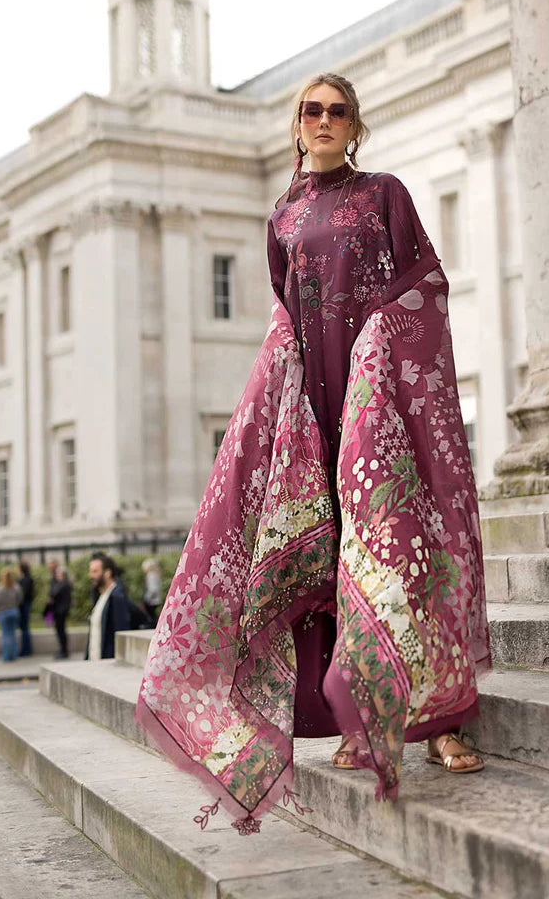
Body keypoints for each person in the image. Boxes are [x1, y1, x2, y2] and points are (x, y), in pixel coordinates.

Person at [136, 73, 491, 834]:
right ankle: (354, 717)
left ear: (354, 126)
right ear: (298, 127)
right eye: (311, 111)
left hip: (380, 398)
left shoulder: (385, 195)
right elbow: (283, 306)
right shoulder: (284, 214)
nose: (324, 120)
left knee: (397, 548)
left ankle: (441, 723)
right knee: (331, 559)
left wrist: (378, 344)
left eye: (337, 111)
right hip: (313, 407)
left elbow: (423, 283)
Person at [85, 553, 130, 660]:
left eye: (95, 571)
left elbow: (121, 633)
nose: (90, 576)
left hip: (107, 663)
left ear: (107, 573)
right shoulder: (102, 595)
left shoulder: (117, 597)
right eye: (90, 571)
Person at [0, 567, 23, 662]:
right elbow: (20, 599)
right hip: (14, 612)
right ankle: (13, 655)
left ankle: (6, 656)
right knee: (12, 634)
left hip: (3, 612)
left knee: (5, 635)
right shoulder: (16, 587)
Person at [44, 566, 72, 660]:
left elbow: (53, 594)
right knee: (61, 631)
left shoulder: (63, 584)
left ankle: (63, 651)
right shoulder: (64, 584)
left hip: (60, 612)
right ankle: (63, 650)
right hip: (60, 611)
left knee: (61, 631)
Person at [17, 560, 35, 657]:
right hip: (26, 605)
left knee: (24, 628)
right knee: (25, 628)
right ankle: (27, 649)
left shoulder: (25, 580)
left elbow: (23, 594)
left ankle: (26, 650)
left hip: (24, 606)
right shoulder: (28, 579)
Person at [141, 559, 163, 626]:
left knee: (151, 618)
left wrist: (146, 598)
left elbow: (152, 589)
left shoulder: (150, 575)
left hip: (151, 601)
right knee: (154, 616)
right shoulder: (156, 574)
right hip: (156, 600)